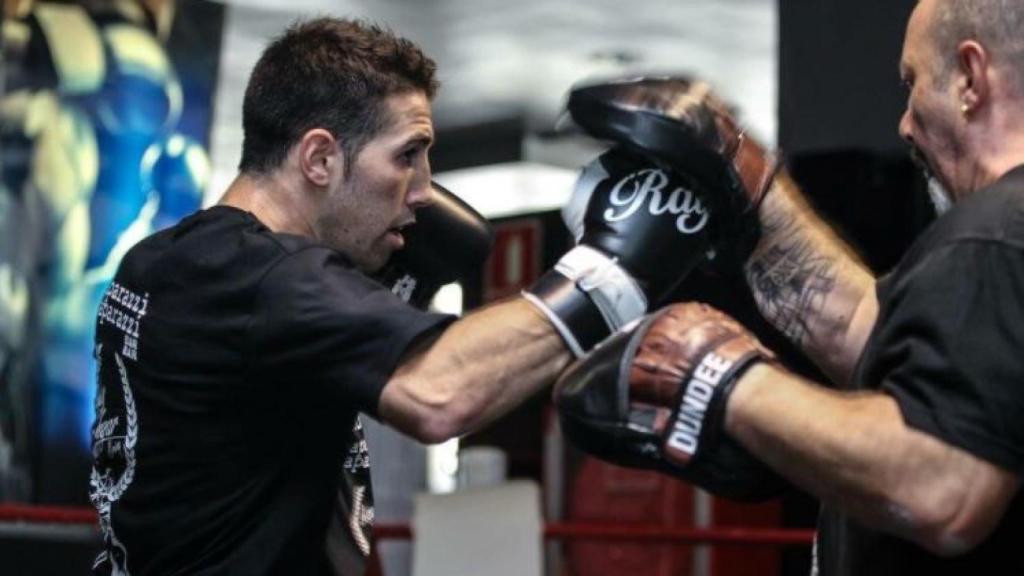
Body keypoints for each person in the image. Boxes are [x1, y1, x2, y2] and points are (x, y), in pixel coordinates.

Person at [87, 17, 713, 575]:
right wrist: (613, 266)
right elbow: (436, 395)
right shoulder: (268, 278)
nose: (422, 189)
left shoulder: (168, 261)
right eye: (407, 155)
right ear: (319, 158)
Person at [554, 0, 1024, 573]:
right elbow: (872, 335)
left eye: (913, 82)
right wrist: (746, 185)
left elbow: (943, 483)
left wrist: (711, 374)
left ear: (971, 79)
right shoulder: (1004, 246)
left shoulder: (993, 234)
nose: (904, 121)